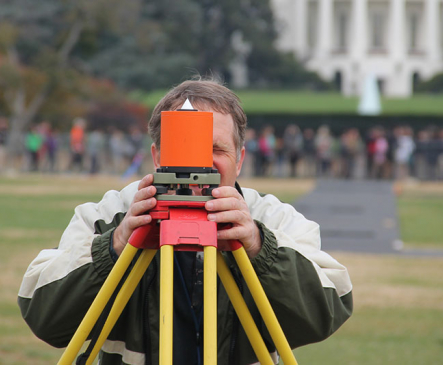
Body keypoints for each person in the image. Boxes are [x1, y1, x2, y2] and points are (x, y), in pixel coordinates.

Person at [18, 78, 353, 365]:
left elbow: (325, 313)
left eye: (216, 149)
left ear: (240, 159)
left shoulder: (274, 220)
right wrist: (116, 245)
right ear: (157, 157)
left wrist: (257, 247)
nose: (200, 164)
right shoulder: (108, 215)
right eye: (185, 147)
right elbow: (44, 316)